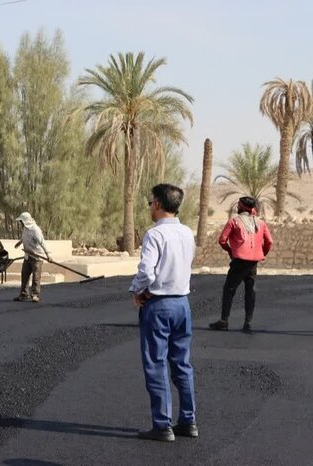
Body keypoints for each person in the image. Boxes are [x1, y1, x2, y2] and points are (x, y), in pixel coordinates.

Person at [129, 183, 198, 442]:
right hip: (182, 303)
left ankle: (162, 425)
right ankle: (188, 420)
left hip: (158, 305)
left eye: (150, 203)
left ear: (157, 204)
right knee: (182, 363)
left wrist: (138, 290)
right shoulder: (186, 233)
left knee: (156, 364)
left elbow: (147, 271)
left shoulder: (154, 235)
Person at [209, 196, 273, 333]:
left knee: (229, 289)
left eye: (238, 205)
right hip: (253, 263)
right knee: (250, 291)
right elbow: (269, 242)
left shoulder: (234, 221)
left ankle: (224, 321)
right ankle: (247, 323)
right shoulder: (260, 223)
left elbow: (222, 240)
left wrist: (231, 251)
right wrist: (260, 253)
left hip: (239, 262)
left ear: (242, 207)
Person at [13, 212, 51, 303]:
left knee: (36, 277)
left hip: (37, 257)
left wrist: (48, 255)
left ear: (25, 221)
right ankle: (24, 294)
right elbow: (25, 237)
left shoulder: (35, 230)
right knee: (24, 275)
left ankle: (35, 295)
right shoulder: (25, 228)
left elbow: (42, 243)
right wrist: (20, 242)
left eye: (21, 221)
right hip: (28, 256)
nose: (20, 223)